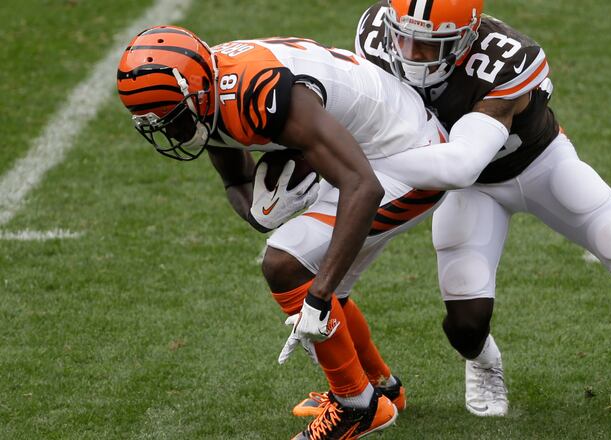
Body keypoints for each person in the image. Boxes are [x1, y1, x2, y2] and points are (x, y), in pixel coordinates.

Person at [353, 0, 611, 417]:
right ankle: (484, 362)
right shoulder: (377, 35)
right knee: (466, 325)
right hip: (473, 189)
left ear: (466, 37)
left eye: (431, 45)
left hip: (539, 165)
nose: (412, 55)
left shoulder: (505, 59)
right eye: (406, 38)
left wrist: (368, 161)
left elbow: (462, 163)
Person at [117, 25, 510, 439]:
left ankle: (355, 407)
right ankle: (380, 389)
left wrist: (318, 299)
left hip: (409, 155)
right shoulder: (209, 91)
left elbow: (364, 186)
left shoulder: (258, 93)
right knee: (313, 274)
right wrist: (262, 212)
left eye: (174, 119)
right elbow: (237, 183)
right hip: (359, 151)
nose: (170, 132)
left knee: (285, 263)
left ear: (196, 93)